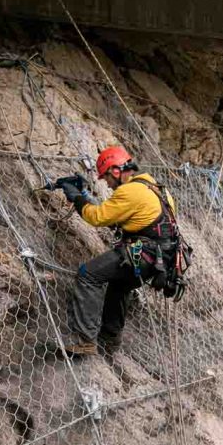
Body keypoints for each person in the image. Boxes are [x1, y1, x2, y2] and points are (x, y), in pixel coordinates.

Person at [56, 145, 178, 356]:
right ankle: (109, 341)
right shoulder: (156, 187)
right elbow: (125, 218)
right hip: (161, 258)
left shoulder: (130, 190)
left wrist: (77, 197)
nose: (108, 185)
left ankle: (85, 340)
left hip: (144, 254)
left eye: (107, 178)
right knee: (120, 285)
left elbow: (97, 217)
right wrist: (85, 195)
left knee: (88, 275)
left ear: (115, 171)